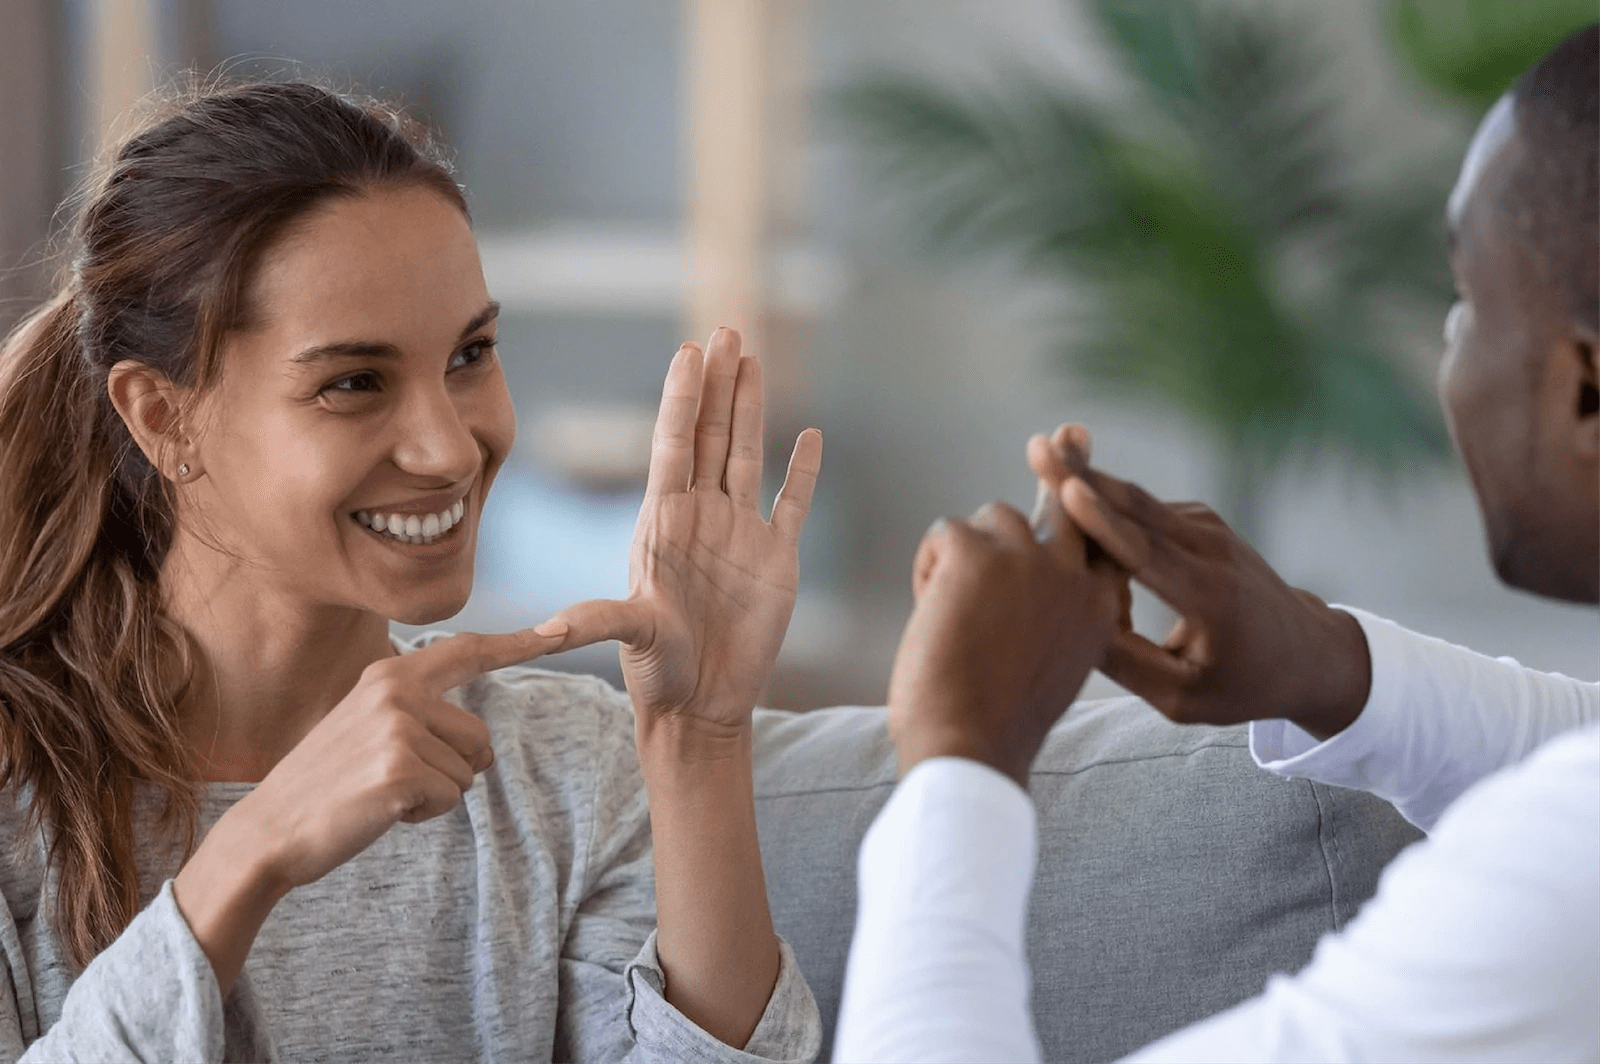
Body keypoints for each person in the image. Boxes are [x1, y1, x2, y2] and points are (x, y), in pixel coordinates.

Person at [0, 81, 824, 1062]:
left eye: (472, 352)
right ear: (164, 416)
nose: (449, 446)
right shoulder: (18, 793)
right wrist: (251, 853)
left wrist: (698, 742)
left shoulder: (566, 770)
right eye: (354, 382)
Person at [833, 23, 1599, 1064]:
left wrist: (962, 756)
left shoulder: (1555, 881)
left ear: (1585, 389)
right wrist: (1327, 663)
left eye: (1468, 304)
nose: (1449, 351)